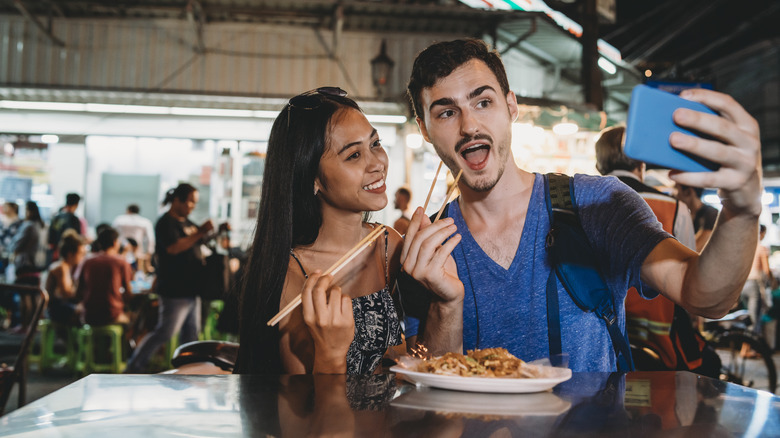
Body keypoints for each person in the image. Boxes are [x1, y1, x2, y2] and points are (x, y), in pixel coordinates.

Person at [400, 39, 762, 372]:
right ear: (424, 129)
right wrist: (446, 307)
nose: (469, 126)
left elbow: (705, 296)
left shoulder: (598, 203)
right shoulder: (425, 252)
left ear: (511, 106)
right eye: (446, 113)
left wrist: (742, 212)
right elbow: (427, 378)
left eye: (483, 102)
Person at [234, 87, 404, 375]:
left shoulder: (389, 245)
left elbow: (406, 352)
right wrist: (330, 352)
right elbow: (299, 409)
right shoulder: (292, 275)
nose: (377, 163)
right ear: (313, 179)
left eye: (375, 143)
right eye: (353, 155)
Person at [595, 126, 719, 378]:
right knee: (708, 369)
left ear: (599, 166)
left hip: (603, 341)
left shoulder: (584, 203)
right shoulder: (674, 207)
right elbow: (691, 275)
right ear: (641, 165)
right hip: (663, 343)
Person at [124, 183, 214, 373]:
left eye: (194, 203)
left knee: (191, 335)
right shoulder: (165, 223)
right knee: (165, 331)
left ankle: (188, 371)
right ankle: (134, 367)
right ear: (177, 201)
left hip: (193, 289)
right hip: (174, 289)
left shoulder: (188, 224)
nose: (192, 206)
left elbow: (201, 242)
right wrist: (200, 232)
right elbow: (173, 248)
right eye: (189, 202)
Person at [77, 227, 134, 326]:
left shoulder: (87, 261)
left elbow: (79, 290)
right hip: (112, 315)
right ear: (115, 242)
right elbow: (128, 293)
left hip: (88, 315)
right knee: (135, 317)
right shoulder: (121, 262)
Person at [45, 229, 88, 325]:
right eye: (80, 253)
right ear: (70, 254)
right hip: (56, 309)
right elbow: (67, 293)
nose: (82, 257)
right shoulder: (61, 267)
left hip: (60, 306)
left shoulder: (66, 267)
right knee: (86, 312)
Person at [675, 184, 719, 251]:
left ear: (689, 192)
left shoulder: (711, 213)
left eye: (678, 192)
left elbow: (695, 248)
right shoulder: (690, 215)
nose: (676, 196)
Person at [112, 204, 155, 272]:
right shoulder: (145, 222)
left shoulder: (119, 220)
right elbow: (150, 240)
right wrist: (148, 257)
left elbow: (113, 235)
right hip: (138, 251)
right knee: (137, 271)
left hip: (120, 250)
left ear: (128, 210)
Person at [48, 193, 85, 260]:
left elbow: (50, 238)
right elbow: (77, 238)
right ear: (76, 205)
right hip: (69, 254)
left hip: (54, 253)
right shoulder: (74, 219)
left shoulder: (56, 217)